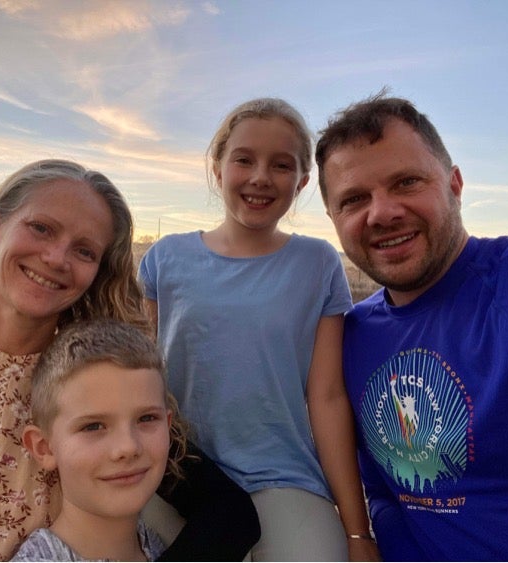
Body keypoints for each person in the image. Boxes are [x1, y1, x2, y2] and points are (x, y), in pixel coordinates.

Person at [0, 159, 259, 561]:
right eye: (41, 228)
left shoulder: (93, 389)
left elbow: (229, 514)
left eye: (84, 251)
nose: (57, 258)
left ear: (97, 272)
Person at [315, 91, 508, 561]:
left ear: (455, 184)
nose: (381, 212)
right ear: (333, 219)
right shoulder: (349, 337)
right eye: (354, 199)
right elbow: (382, 489)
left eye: (406, 182)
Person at [139, 98, 378, 561]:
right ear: (217, 168)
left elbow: (326, 397)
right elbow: (139, 378)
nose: (260, 177)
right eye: (244, 159)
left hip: (282, 477)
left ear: (303, 181)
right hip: (176, 474)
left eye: (281, 165)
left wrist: (357, 532)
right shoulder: (166, 259)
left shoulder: (318, 263)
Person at [12, 318, 186, 561]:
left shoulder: (156, 545)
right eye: (93, 426)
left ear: (168, 427)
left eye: (146, 418)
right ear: (44, 448)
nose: (128, 447)